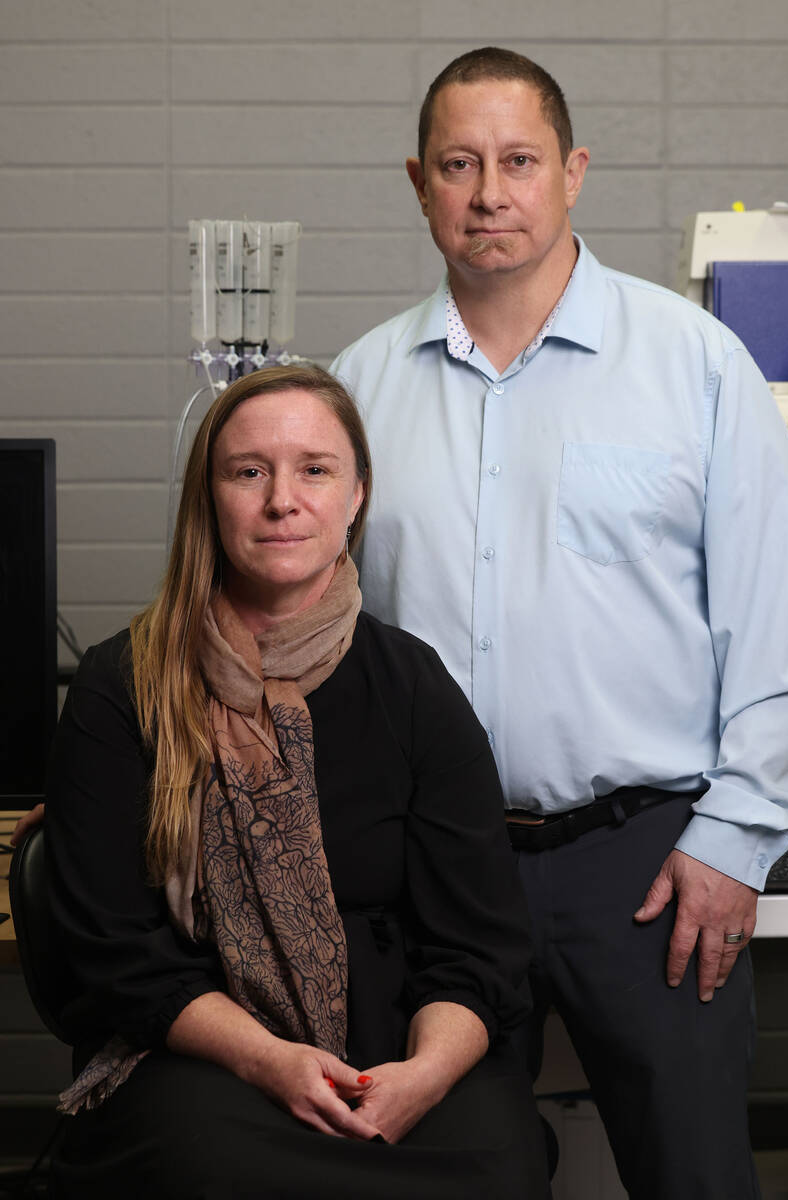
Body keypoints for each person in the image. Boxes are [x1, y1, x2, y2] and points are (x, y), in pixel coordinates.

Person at [331, 47, 788, 1199]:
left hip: (649, 868)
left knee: (693, 1175)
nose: (488, 191)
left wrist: (731, 844)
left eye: (517, 161)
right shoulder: (359, 389)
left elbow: (771, 629)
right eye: (458, 164)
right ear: (418, 184)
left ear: (573, 172)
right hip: (435, 876)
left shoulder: (693, 366)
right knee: (445, 1174)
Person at [40, 365, 550, 1199]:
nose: (284, 500)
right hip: (204, 1054)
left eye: (315, 469)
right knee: (211, 1167)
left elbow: (480, 946)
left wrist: (421, 1075)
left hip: (398, 1048)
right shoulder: (120, 686)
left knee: (502, 1160)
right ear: (210, 497)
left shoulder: (414, 686)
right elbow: (115, 953)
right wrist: (272, 1062)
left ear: (356, 496)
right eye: (250, 471)